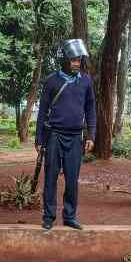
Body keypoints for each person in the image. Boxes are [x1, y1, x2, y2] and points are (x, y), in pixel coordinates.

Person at [35, 39, 96, 231]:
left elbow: (90, 109)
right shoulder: (52, 81)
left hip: (75, 137)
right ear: (65, 60)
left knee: (72, 179)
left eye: (79, 60)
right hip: (54, 135)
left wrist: (91, 135)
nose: (77, 63)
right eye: (73, 60)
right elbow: (43, 111)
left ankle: (69, 216)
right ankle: (48, 216)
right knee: (51, 177)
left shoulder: (86, 81)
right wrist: (39, 138)